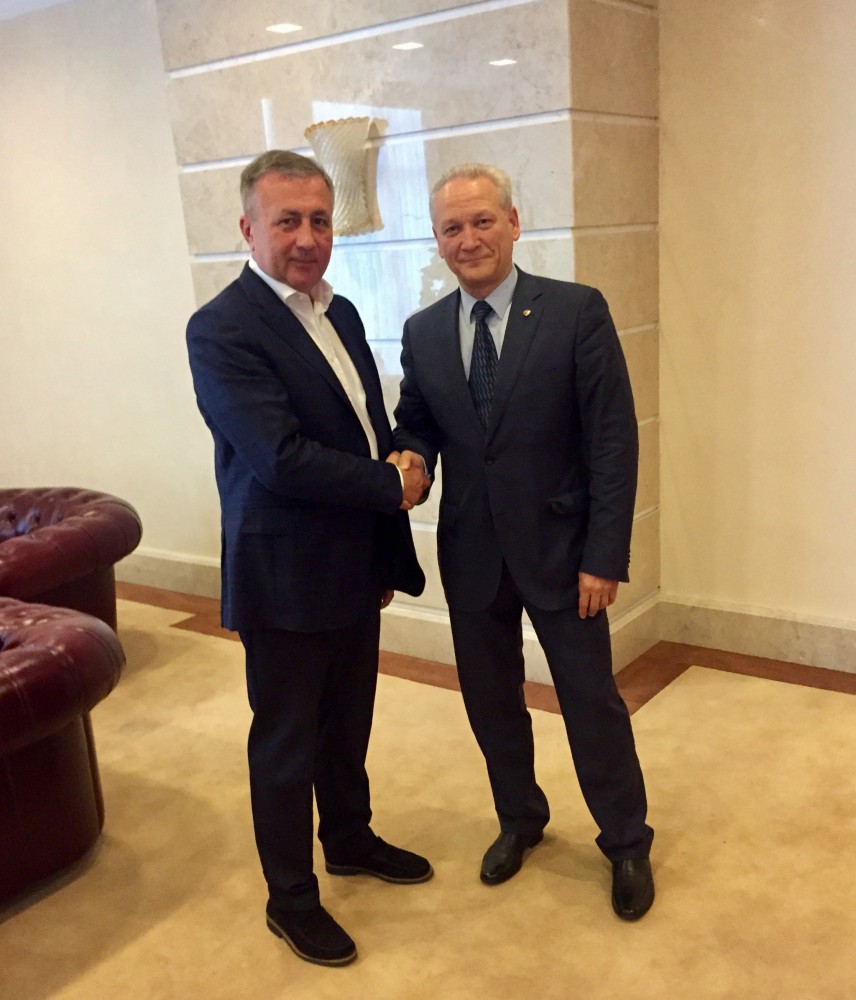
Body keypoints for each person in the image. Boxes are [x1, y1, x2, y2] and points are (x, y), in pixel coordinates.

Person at [186, 150, 433, 967]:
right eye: (286, 220)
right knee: (287, 743)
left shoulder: (342, 312)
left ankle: (350, 840)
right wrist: (390, 485)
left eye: (319, 220)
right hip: (285, 573)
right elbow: (279, 458)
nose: (306, 237)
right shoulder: (221, 328)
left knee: (347, 721)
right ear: (248, 227)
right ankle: (290, 899)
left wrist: (401, 467)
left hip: (354, 561)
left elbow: (366, 423)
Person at [392, 163, 655, 920]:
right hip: (472, 551)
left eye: (483, 221)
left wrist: (604, 555)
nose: (469, 239)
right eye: (452, 227)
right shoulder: (423, 331)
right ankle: (520, 818)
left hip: (565, 554)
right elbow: (418, 422)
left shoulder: (576, 311)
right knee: (490, 701)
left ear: (513, 222)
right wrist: (411, 458)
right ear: (437, 240)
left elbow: (613, 441)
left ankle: (626, 841)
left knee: (590, 702)